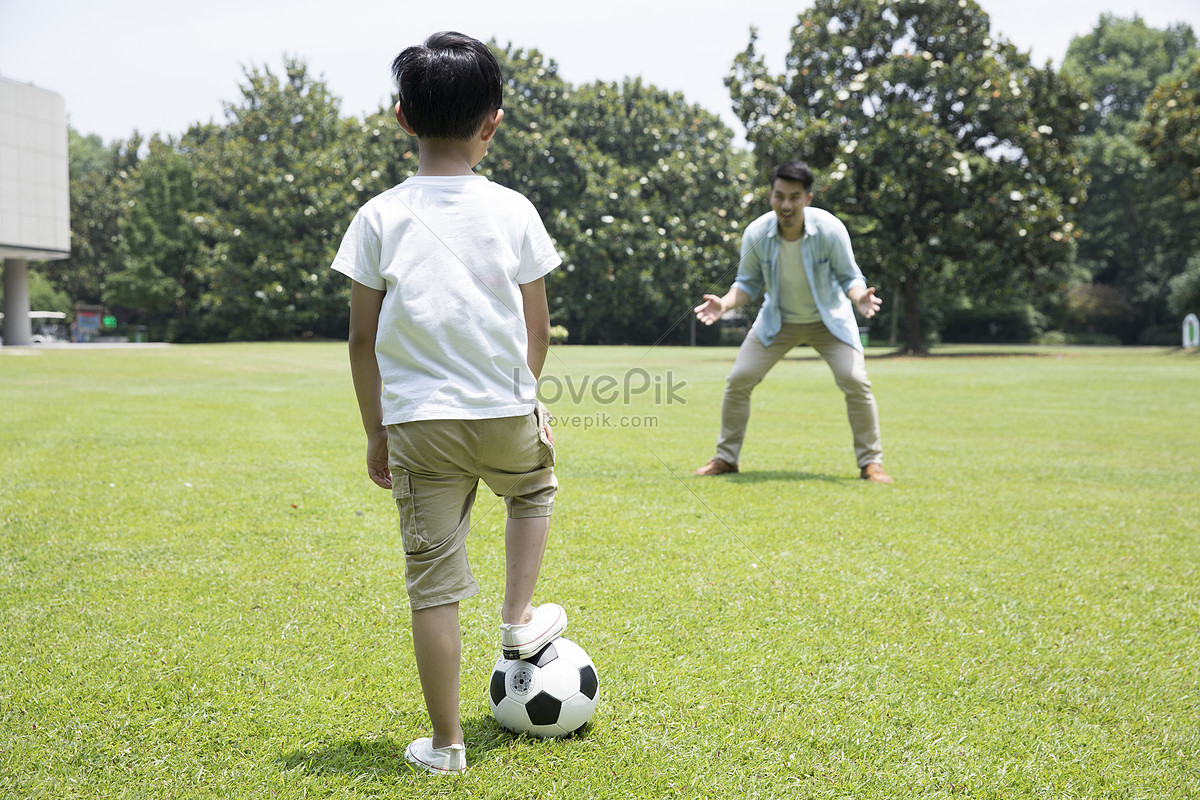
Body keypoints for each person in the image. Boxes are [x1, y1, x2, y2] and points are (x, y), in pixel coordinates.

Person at [331, 31, 566, 776]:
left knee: (433, 587)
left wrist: (378, 432)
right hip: (503, 410)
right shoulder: (517, 210)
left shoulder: (377, 217)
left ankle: (447, 746)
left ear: (401, 118)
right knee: (532, 487)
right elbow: (540, 329)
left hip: (419, 425)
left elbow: (362, 342)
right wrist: (525, 398)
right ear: (492, 122)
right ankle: (517, 620)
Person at [693, 159, 893, 483]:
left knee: (856, 381)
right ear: (770, 195)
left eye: (794, 197)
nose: (786, 204)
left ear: (808, 198)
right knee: (739, 379)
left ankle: (871, 464)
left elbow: (849, 276)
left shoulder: (830, 229)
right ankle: (726, 459)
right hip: (778, 321)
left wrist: (860, 298)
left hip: (829, 322)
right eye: (779, 195)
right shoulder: (756, 233)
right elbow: (746, 284)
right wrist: (724, 304)